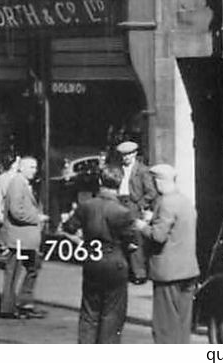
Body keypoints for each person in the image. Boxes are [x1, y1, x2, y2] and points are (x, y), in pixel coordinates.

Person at [59, 164, 135, 343]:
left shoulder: (86, 206)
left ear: (100, 181)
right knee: (112, 314)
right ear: (119, 183)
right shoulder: (123, 212)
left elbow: (67, 229)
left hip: (92, 261)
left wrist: (83, 245)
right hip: (115, 263)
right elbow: (132, 243)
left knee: (89, 311)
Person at [135, 163, 198, 343]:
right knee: (182, 324)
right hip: (188, 270)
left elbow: (158, 236)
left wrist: (143, 227)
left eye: (154, 182)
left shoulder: (166, 202)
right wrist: (153, 220)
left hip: (168, 273)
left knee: (164, 327)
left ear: (159, 182)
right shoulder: (185, 201)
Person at [0, 155, 48, 320]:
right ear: (21, 168)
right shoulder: (17, 184)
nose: (35, 170)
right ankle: (10, 307)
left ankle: (23, 303)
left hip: (25, 239)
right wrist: (37, 217)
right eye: (31, 167)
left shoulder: (22, 183)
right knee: (15, 272)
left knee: (32, 268)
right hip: (19, 239)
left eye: (35, 167)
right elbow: (16, 211)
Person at [114, 139, 157, 284]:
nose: (126, 158)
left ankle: (139, 273)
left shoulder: (143, 170)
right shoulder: (118, 169)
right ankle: (125, 271)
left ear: (135, 154)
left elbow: (151, 192)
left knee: (135, 239)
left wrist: (139, 205)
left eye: (129, 155)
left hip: (133, 205)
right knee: (122, 238)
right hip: (120, 202)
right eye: (123, 155)